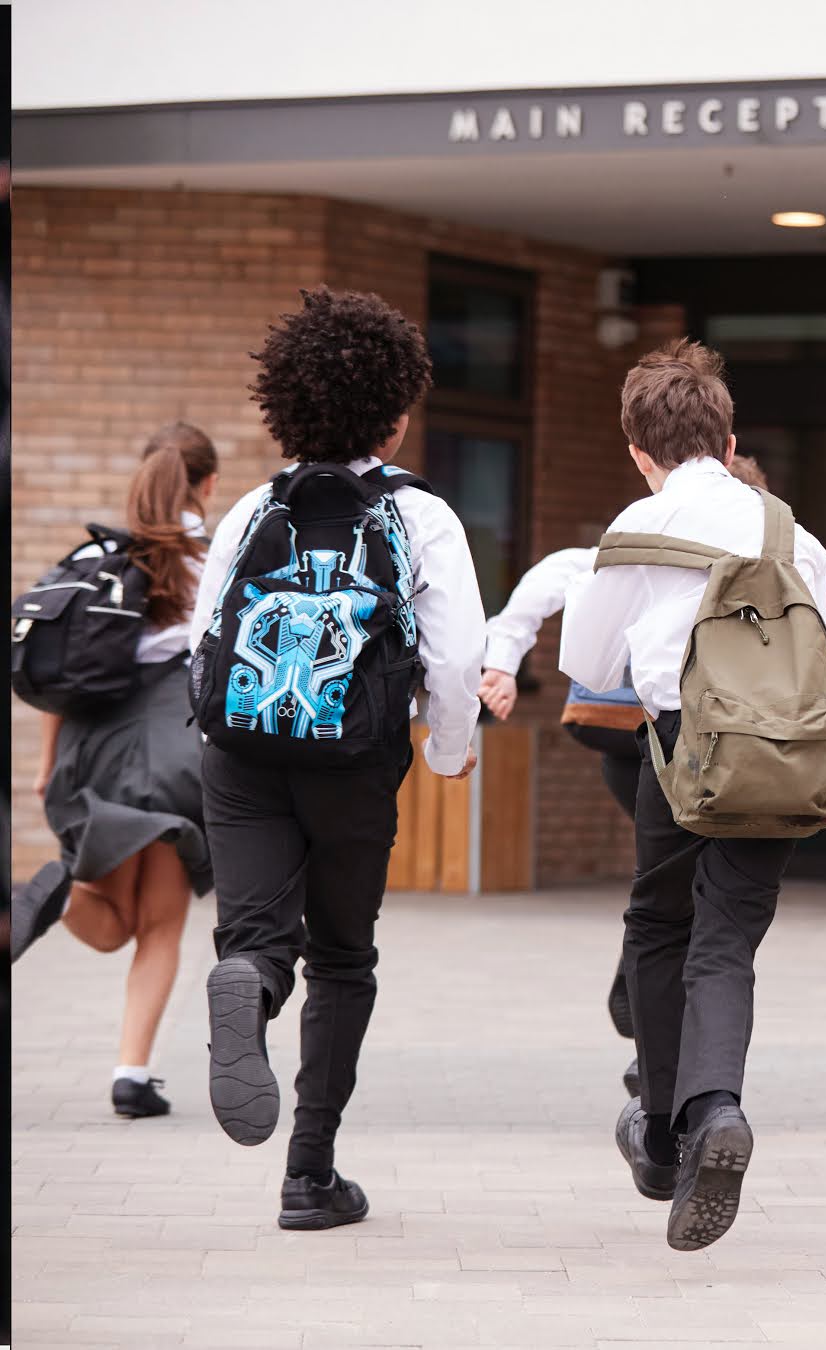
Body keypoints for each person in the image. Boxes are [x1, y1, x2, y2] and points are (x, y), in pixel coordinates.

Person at [193, 288, 485, 1231]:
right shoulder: (421, 517)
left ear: (288, 408)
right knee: (345, 957)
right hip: (353, 759)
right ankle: (309, 1176)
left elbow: (207, 640)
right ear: (394, 419)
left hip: (239, 754)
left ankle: (251, 980)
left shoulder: (250, 510)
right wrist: (448, 753)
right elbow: (456, 655)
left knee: (256, 933)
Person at [561, 341, 826, 1251]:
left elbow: (591, 666)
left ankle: (658, 1135)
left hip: (682, 747)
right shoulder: (794, 534)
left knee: (659, 924)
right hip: (782, 753)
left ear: (639, 452)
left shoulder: (638, 527)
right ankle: (716, 1107)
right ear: (729, 440)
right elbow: (825, 655)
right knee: (726, 942)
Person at [480, 455, 774, 1101]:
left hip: (628, 738)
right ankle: (663, 1055)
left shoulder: (628, 547)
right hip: (679, 740)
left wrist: (502, 665)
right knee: (692, 910)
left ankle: (649, 1025)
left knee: (669, 902)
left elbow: (539, 614)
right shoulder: (768, 557)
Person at [18, 423, 220, 1118]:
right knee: (157, 926)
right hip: (173, 756)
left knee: (110, 918)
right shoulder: (217, 559)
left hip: (92, 749)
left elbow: (61, 676)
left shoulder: (100, 554)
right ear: (209, 483)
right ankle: (131, 1075)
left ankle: (50, 895)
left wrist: (48, 768)